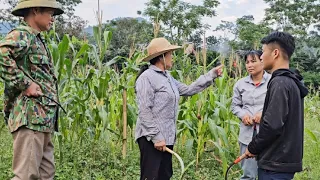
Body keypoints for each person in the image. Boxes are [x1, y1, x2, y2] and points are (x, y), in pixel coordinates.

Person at [134, 37, 223, 180]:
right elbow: (144, 110)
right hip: (151, 138)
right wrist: (156, 137)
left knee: (164, 175)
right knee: (151, 176)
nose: (172, 58)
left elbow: (188, 89)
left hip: (167, 136)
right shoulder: (146, 78)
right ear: (162, 57)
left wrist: (210, 75)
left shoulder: (168, 77)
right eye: (170, 54)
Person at [0, 0, 64, 179]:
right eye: (50, 14)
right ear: (36, 10)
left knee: (46, 174)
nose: (52, 19)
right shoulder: (22, 34)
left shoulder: (36, 38)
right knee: (26, 175)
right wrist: (26, 84)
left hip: (43, 120)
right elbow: (2, 56)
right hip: (30, 118)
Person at [245, 32, 309, 179]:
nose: (261, 57)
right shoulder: (292, 82)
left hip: (275, 163)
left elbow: (272, 125)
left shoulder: (279, 82)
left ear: (275, 53)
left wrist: (253, 147)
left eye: (263, 52)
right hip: (284, 162)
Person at [231, 50, 271, 180]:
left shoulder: (273, 81)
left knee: (268, 172)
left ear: (262, 61)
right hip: (247, 134)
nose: (249, 65)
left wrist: (263, 114)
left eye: (253, 61)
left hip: (267, 134)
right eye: (247, 62)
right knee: (248, 174)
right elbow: (235, 106)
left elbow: (276, 105)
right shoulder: (240, 84)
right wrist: (243, 115)